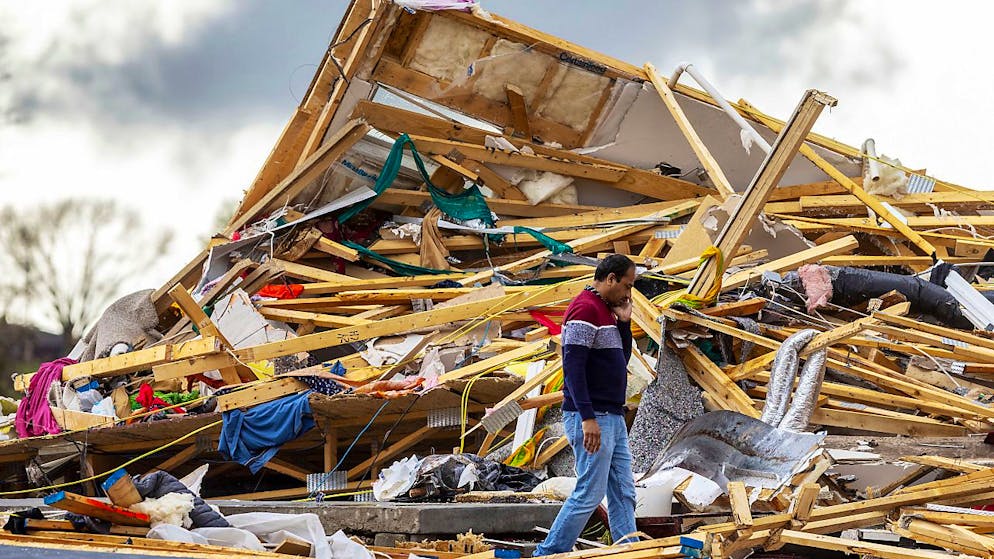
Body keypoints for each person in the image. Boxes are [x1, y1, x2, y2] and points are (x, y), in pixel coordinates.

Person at [534, 254, 638, 556]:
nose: (628, 293)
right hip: (593, 416)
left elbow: (622, 359)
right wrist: (587, 417)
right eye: (626, 285)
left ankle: (628, 551)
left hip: (612, 416)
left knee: (623, 492)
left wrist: (625, 324)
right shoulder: (584, 309)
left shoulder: (606, 311)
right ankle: (548, 552)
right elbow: (573, 369)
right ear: (610, 279)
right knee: (590, 492)